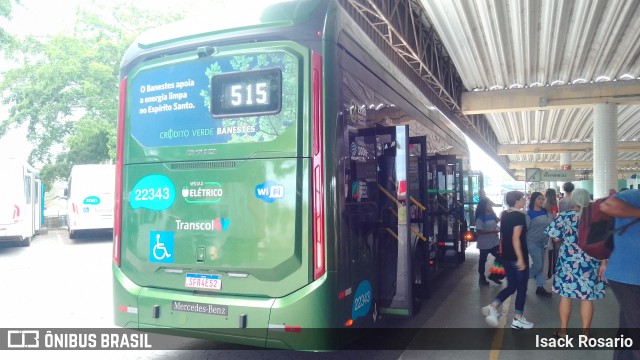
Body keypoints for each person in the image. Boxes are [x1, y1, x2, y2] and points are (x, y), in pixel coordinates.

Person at [544, 188, 606, 338]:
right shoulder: (596, 218)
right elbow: (603, 242)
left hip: (568, 262)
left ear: (574, 201)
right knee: (587, 298)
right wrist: (604, 263)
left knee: (566, 296)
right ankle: (586, 333)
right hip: (591, 261)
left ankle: (563, 331)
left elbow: (556, 239)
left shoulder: (564, 217)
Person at [482, 191, 533, 329]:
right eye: (522, 199)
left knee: (512, 286)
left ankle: (493, 306)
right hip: (517, 256)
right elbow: (516, 238)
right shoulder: (519, 216)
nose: (524, 200)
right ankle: (518, 318)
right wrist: (521, 258)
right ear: (516, 201)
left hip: (506, 256)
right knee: (521, 287)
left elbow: (505, 236)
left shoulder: (504, 214)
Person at [600, 189, 640, 360]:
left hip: (631, 276)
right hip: (628, 276)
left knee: (628, 324)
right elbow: (607, 205)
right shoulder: (635, 195)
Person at [525, 192, 554, 297]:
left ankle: (540, 287)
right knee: (538, 265)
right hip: (532, 243)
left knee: (541, 266)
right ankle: (524, 279)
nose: (541, 201)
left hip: (544, 243)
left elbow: (551, 226)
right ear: (533, 200)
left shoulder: (546, 212)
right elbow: (525, 230)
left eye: (543, 199)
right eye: (539, 199)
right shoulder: (528, 214)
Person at [475, 199, 501, 286]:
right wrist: (492, 231)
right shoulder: (480, 217)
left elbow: (497, 223)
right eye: (488, 204)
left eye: (490, 204)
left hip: (494, 242)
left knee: (501, 256)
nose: (490, 206)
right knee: (483, 260)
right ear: (484, 206)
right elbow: (479, 231)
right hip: (484, 243)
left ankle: (495, 275)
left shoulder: (493, 215)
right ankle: (481, 277)